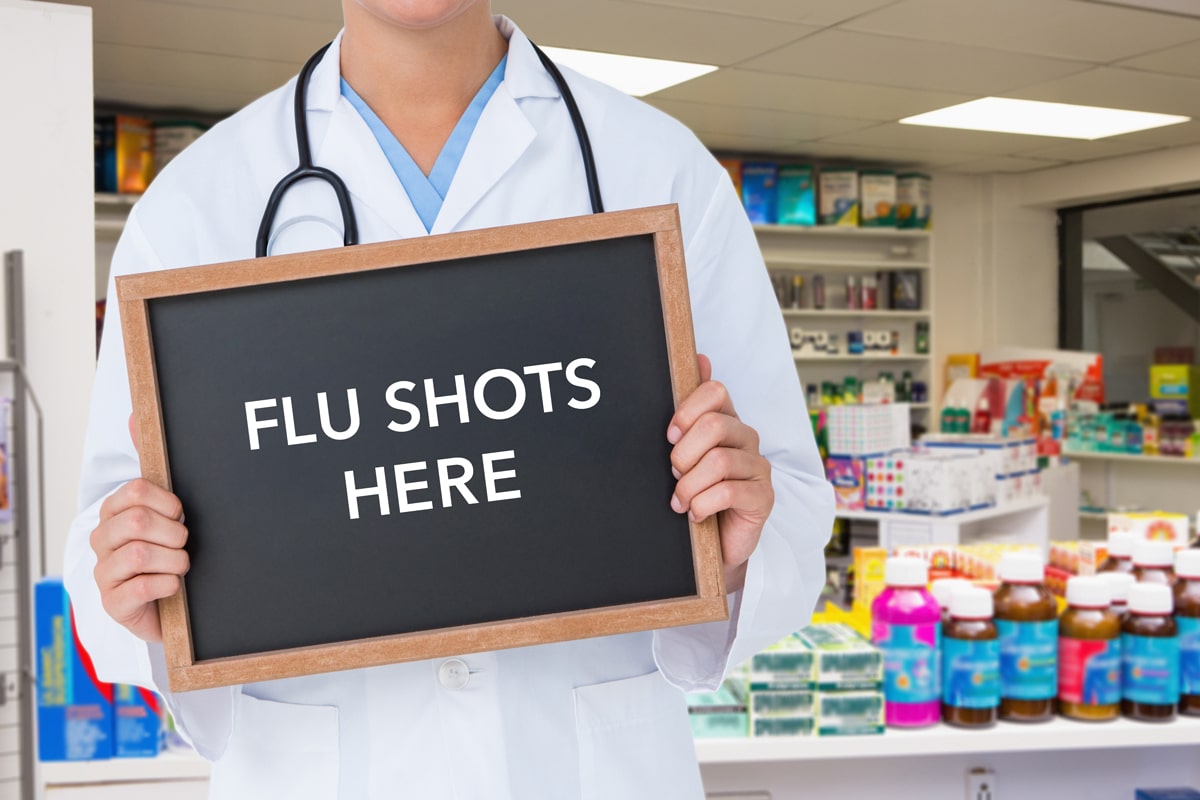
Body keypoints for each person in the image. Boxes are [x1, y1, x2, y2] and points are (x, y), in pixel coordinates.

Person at [64, 1, 834, 797]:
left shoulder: (657, 168)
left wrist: (737, 545)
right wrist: (141, 584)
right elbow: (104, 547)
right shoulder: (198, 200)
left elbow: (790, 510)